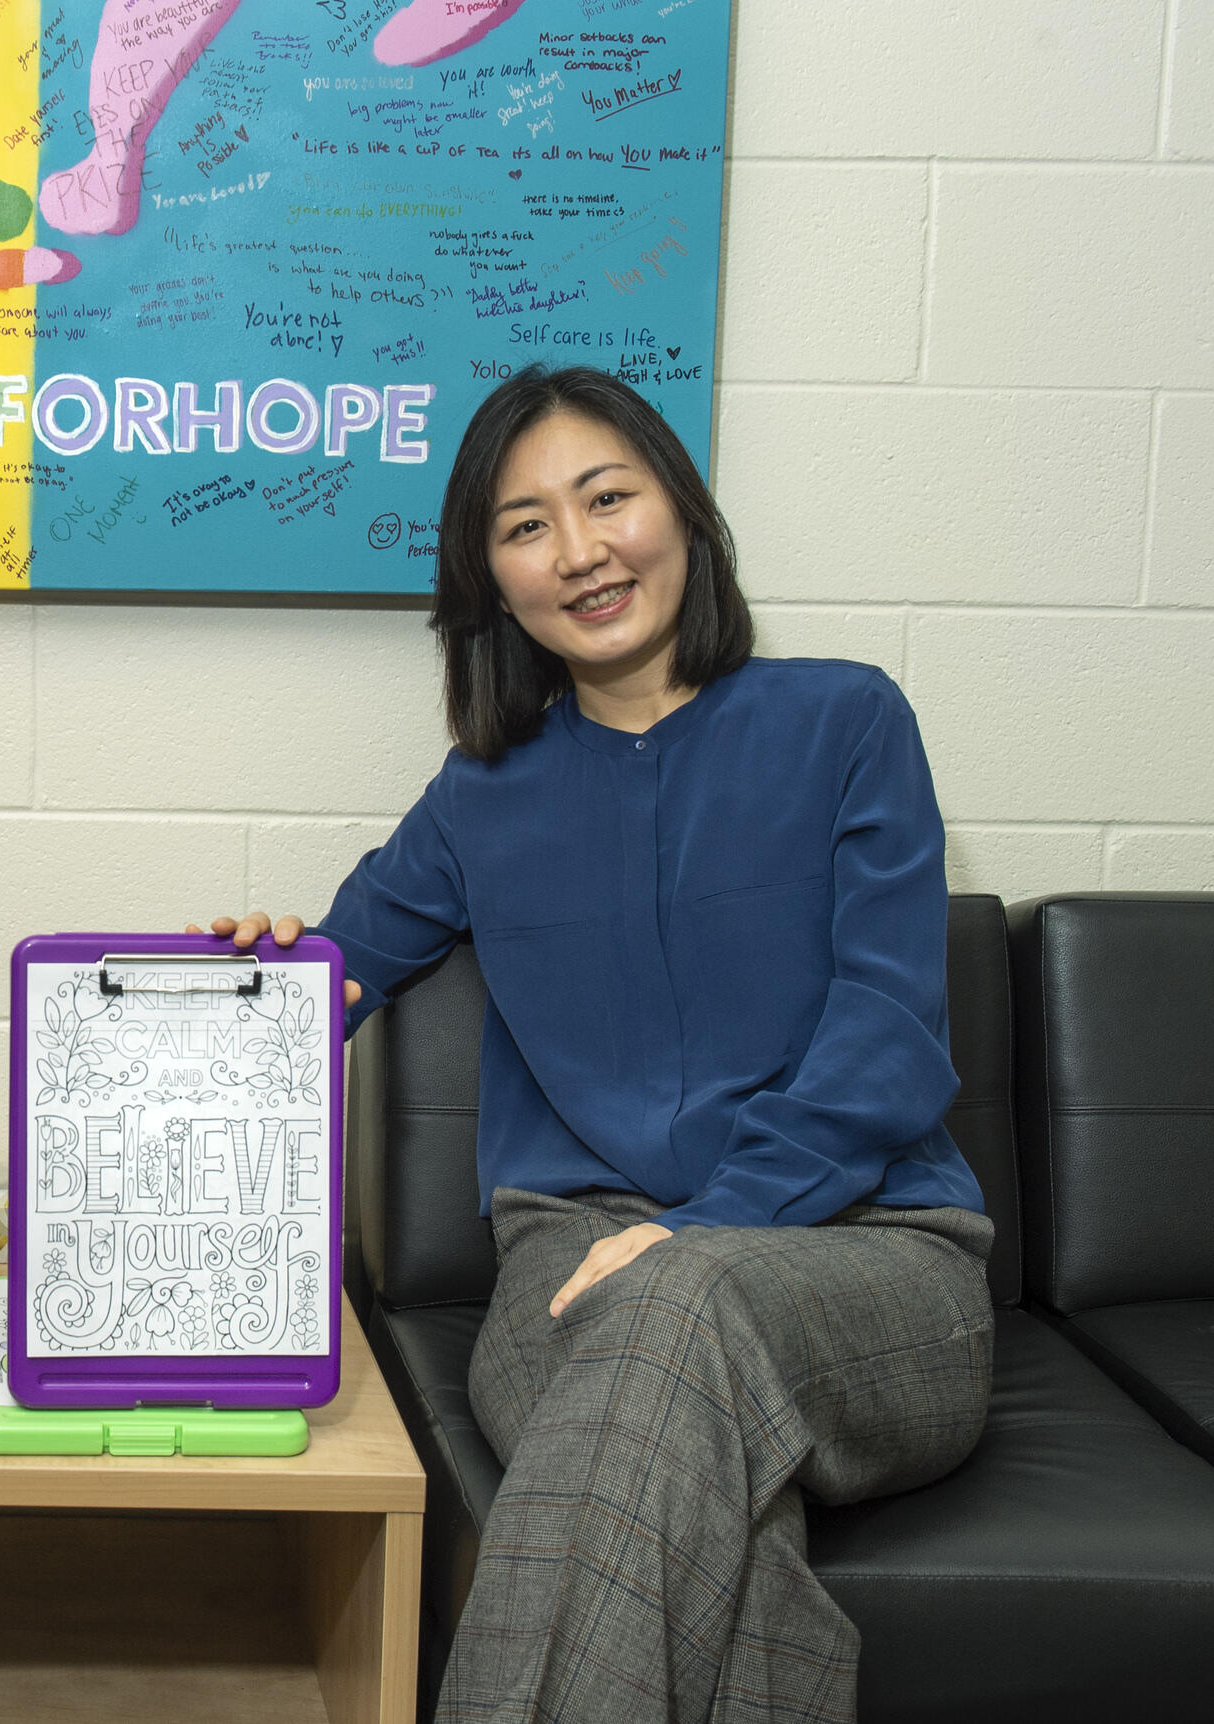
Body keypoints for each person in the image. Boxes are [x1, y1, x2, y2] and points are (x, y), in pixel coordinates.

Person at [197, 366, 992, 1724]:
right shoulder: (480, 797)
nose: (579, 552)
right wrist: (252, 980)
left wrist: (711, 1227)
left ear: (680, 509)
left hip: (871, 1261)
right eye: (524, 526)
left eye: (606, 498)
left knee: (678, 1305)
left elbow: (889, 1036)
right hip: (568, 1267)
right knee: (709, 1508)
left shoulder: (847, 723)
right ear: (491, 581)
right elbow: (322, 987)